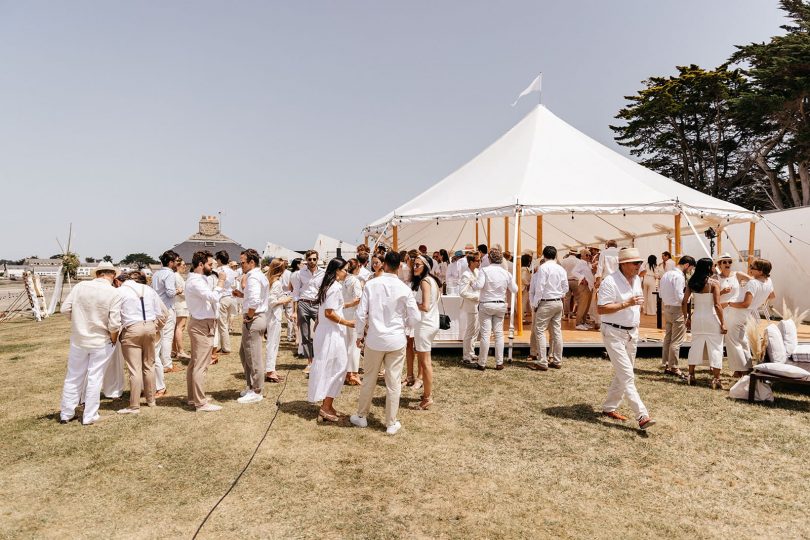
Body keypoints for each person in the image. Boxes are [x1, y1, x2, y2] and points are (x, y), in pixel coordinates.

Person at [350, 251, 419, 435]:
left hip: (374, 338)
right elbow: (415, 316)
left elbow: (360, 313)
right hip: (396, 339)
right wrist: (406, 328)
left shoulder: (372, 285)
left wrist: (358, 334)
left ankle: (362, 416)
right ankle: (390, 422)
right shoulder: (404, 288)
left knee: (369, 380)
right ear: (399, 267)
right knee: (393, 382)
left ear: (384, 264)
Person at [597, 248, 656, 431]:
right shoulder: (610, 281)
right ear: (623, 264)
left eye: (640, 262)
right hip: (613, 332)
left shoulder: (637, 279)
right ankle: (642, 415)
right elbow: (601, 309)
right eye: (635, 263)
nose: (639, 266)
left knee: (624, 372)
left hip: (632, 332)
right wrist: (626, 304)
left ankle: (609, 407)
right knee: (627, 375)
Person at [59, 261, 123, 425]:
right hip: (101, 340)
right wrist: (114, 339)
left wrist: (78, 323)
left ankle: (66, 413)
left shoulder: (80, 287)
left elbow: (65, 309)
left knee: (73, 375)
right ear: (112, 275)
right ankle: (89, 415)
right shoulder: (114, 293)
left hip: (79, 338)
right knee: (95, 377)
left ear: (97, 273)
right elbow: (115, 323)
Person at [309, 258, 355, 421]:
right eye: (345, 270)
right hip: (332, 333)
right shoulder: (334, 287)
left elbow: (332, 308)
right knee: (337, 367)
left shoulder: (327, 286)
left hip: (326, 331)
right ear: (337, 270)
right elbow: (329, 312)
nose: (346, 273)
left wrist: (349, 305)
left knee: (330, 366)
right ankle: (326, 406)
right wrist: (347, 322)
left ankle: (328, 404)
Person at [116, 271, 168, 414]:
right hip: (150, 326)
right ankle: (151, 400)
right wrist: (156, 327)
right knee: (149, 365)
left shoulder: (120, 292)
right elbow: (163, 313)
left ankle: (134, 405)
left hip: (132, 329)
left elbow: (114, 314)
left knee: (134, 369)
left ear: (120, 282)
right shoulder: (149, 289)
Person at [184, 250, 227, 412]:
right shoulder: (195, 281)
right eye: (210, 264)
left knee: (195, 363)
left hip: (203, 323)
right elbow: (213, 297)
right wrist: (221, 282)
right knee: (200, 365)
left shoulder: (200, 279)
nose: (212, 267)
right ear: (201, 265)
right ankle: (200, 403)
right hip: (201, 324)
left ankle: (193, 397)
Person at [725, 258, 776, 377]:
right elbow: (772, 295)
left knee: (733, 342)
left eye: (753, 267)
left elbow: (745, 303)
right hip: (747, 314)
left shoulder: (753, 283)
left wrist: (729, 303)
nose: (750, 269)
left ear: (761, 271)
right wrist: (758, 301)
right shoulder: (768, 281)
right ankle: (745, 367)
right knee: (742, 341)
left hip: (737, 312)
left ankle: (741, 370)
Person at [471, 247, 517, 370]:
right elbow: (515, 289)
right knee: (499, 334)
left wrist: (472, 283)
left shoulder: (484, 270)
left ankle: (482, 362)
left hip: (487, 303)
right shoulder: (506, 273)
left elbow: (479, 285)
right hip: (501, 304)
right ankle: (499, 362)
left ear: (489, 258)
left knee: (486, 334)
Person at [683, 258, 726, 389]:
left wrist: (687, 318)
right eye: (713, 266)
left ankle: (691, 375)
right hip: (711, 318)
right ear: (708, 268)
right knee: (716, 347)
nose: (714, 267)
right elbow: (717, 305)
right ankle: (716, 379)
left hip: (697, 318)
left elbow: (684, 302)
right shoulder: (714, 283)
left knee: (695, 345)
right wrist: (723, 323)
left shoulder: (692, 282)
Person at [234, 249, 269, 404]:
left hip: (254, 318)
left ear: (251, 262)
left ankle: (257, 390)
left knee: (253, 355)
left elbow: (255, 300)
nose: (241, 265)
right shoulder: (257, 275)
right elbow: (255, 297)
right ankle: (251, 386)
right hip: (256, 317)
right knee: (245, 353)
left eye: (243, 262)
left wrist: (249, 316)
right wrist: (242, 296)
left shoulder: (253, 276)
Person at [529, 246, 569, 371]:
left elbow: (540, 287)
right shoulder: (561, 269)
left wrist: (535, 304)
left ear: (543, 255)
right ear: (555, 255)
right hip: (558, 302)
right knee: (556, 332)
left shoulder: (543, 268)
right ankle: (557, 360)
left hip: (546, 302)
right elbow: (565, 287)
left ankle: (542, 361)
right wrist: (559, 294)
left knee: (539, 330)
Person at [410, 254, 440, 410]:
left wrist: (411, 304)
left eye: (418, 265)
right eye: (413, 264)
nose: (414, 267)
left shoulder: (424, 282)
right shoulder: (433, 281)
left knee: (425, 363)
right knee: (425, 362)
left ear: (426, 267)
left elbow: (425, 306)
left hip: (425, 325)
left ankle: (427, 397)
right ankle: (426, 394)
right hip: (430, 324)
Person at [659, 255, 696, 378]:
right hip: (677, 309)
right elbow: (680, 297)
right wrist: (690, 296)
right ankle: (674, 367)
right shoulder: (679, 276)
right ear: (686, 265)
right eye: (690, 268)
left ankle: (666, 364)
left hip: (667, 307)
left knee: (668, 338)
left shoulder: (666, 274)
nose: (690, 271)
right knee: (677, 340)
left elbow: (660, 293)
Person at [292, 250, 324, 376]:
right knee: (305, 335)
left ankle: (319, 360)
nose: (312, 261)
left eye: (314, 259)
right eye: (309, 259)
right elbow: (295, 292)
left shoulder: (323, 273)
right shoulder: (299, 274)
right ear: (306, 260)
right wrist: (294, 310)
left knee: (320, 332)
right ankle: (309, 362)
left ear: (317, 259)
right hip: (304, 303)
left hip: (317, 304)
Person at [152, 250, 181, 376]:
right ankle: (167, 364)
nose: (177, 264)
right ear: (170, 262)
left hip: (156, 308)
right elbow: (170, 293)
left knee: (159, 337)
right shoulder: (170, 275)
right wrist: (178, 290)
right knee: (167, 337)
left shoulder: (155, 274)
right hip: (167, 308)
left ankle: (158, 361)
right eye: (176, 261)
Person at [265, 259, 292, 383]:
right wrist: (285, 300)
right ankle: (270, 371)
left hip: (272, 315)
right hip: (274, 316)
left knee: (273, 343)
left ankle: (272, 369)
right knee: (273, 343)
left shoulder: (270, 280)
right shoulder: (276, 283)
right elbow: (271, 301)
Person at [342, 258, 363, 386]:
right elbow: (358, 299)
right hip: (354, 313)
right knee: (355, 345)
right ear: (357, 268)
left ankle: (346, 372)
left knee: (347, 344)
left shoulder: (344, 280)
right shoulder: (355, 281)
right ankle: (353, 373)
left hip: (345, 314)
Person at [214, 250, 239, 355]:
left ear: (219, 260)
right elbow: (233, 285)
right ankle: (223, 345)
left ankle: (226, 348)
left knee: (222, 324)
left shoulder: (219, 270)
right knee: (224, 323)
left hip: (223, 297)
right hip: (230, 297)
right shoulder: (232, 271)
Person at [459, 252, 481, 365]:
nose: (479, 262)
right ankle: (466, 355)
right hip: (471, 305)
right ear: (471, 262)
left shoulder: (477, 272)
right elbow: (462, 292)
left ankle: (471, 352)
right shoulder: (466, 275)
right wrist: (477, 297)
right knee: (470, 331)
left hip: (477, 306)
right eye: (477, 260)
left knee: (476, 330)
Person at [572, 248, 595, 330]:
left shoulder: (587, 264)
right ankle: (578, 323)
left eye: (590, 255)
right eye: (588, 255)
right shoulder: (581, 263)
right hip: (584, 286)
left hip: (590, 287)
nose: (589, 257)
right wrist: (582, 278)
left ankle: (583, 321)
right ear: (584, 256)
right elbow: (574, 272)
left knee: (587, 305)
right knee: (582, 305)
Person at [172, 259, 191, 361]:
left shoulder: (176, 276)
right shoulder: (177, 277)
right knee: (180, 327)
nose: (185, 267)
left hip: (178, 304)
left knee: (176, 328)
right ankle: (180, 351)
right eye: (183, 265)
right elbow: (182, 292)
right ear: (178, 266)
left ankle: (175, 350)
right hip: (181, 304)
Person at [560, 251, 579, 320]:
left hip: (566, 280)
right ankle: (575, 314)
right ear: (576, 253)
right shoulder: (578, 261)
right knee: (577, 298)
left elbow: (561, 271)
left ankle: (566, 315)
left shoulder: (564, 261)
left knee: (566, 298)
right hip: (575, 280)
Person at [520, 253, 533, 324]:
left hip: (521, 288)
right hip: (524, 288)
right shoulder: (524, 269)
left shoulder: (521, 268)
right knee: (523, 304)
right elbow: (523, 278)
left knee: (522, 304)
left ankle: (521, 318)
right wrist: (528, 284)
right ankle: (521, 319)